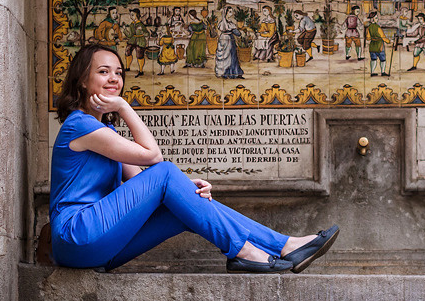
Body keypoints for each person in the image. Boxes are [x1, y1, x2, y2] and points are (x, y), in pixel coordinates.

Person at [49, 44, 338, 273]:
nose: (114, 78)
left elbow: (142, 183)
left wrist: (187, 191)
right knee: (164, 171)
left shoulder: (104, 131)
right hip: (76, 236)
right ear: (83, 81)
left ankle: (283, 246)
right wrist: (124, 106)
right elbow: (153, 157)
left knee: (184, 205)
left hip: (101, 248)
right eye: (103, 72)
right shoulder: (80, 124)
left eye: (119, 73)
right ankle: (248, 251)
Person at [214, 6, 244, 79]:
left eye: (231, 12)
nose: (231, 13)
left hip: (224, 39)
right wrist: (240, 33)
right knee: (229, 56)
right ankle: (228, 73)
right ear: (226, 13)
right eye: (230, 12)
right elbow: (236, 32)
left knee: (231, 56)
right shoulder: (226, 23)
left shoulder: (228, 23)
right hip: (228, 40)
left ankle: (234, 72)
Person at [123, 9, 149, 76]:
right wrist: (125, 30)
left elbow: (147, 34)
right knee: (128, 51)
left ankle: (141, 70)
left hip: (140, 41)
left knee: (139, 54)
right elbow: (130, 35)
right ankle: (127, 67)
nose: (131, 16)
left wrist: (142, 32)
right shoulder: (131, 25)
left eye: (132, 15)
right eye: (130, 15)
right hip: (132, 40)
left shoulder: (141, 24)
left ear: (137, 15)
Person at [365, 10, 392, 77]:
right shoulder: (378, 28)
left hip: (372, 45)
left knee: (373, 59)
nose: (377, 19)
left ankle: (372, 72)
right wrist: (389, 41)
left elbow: (368, 38)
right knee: (382, 59)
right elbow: (383, 37)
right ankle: (382, 72)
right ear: (372, 19)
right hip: (379, 45)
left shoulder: (369, 27)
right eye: (376, 18)